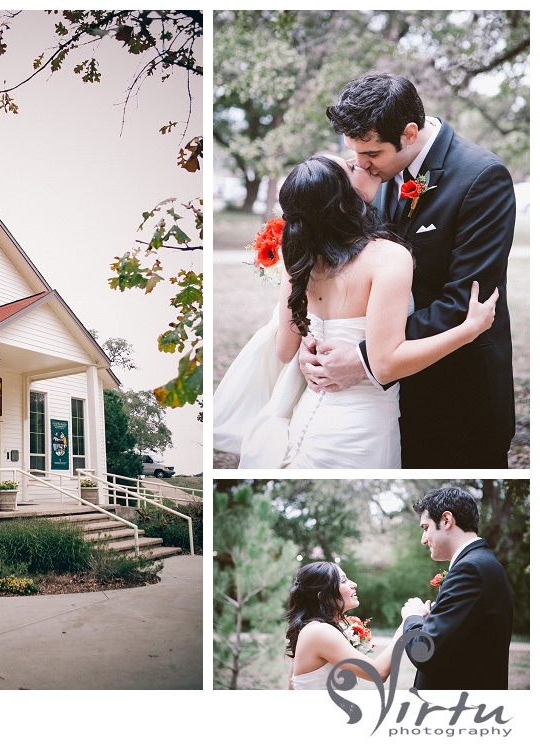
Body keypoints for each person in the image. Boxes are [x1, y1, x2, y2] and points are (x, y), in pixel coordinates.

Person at [303, 73, 515, 468]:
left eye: (371, 154)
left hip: (458, 393)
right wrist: (316, 340)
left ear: (410, 133)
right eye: (354, 152)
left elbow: (464, 303)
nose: (360, 166)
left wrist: (365, 357)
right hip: (389, 403)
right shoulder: (375, 173)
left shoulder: (482, 178)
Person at [235, 154, 496, 468]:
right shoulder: (387, 257)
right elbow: (385, 366)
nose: (357, 160)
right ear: (343, 202)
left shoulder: (299, 255)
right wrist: (468, 331)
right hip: (359, 431)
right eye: (349, 167)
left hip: (307, 419)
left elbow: (283, 349)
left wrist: (309, 343)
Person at [401, 487, 513, 690]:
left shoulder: (470, 569)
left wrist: (412, 617)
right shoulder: (486, 563)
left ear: (446, 520)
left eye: (426, 528)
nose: (423, 539)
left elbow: (426, 654)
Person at [286, 561, 404, 690]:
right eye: (343, 581)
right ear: (324, 597)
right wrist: (405, 624)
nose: (354, 584)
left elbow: (291, 690)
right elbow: (379, 673)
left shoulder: (309, 629)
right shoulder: (319, 631)